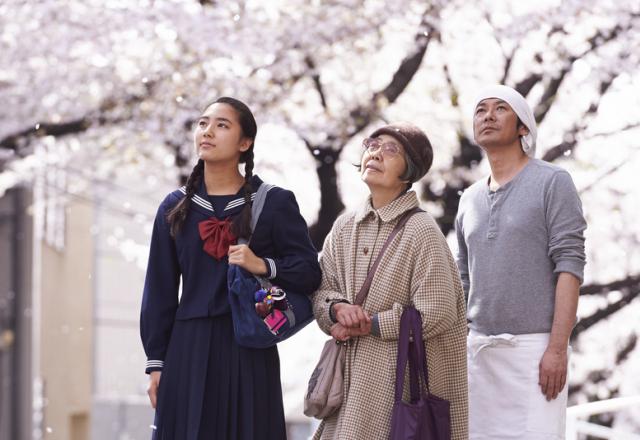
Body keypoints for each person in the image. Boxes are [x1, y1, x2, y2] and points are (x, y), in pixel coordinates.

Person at [140, 97, 321, 440]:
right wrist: (156, 363)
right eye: (203, 123)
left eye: (222, 125)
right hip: (186, 348)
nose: (207, 131)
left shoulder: (274, 202)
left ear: (245, 143)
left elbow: (309, 271)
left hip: (249, 345)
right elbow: (159, 289)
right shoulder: (175, 206)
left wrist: (263, 265)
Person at [311, 122, 468, 440]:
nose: (376, 153)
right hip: (347, 385)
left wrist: (370, 323)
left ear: (409, 170)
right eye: (372, 144)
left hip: (397, 387)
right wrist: (337, 308)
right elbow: (321, 290)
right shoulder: (344, 227)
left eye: (391, 149)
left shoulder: (421, 230)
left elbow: (436, 312)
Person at [455, 85, 587, 439]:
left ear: (523, 128)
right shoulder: (468, 198)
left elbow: (570, 265)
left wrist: (557, 349)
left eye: (501, 109)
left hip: (536, 351)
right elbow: (463, 279)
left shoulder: (552, 182)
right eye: (481, 110)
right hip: (478, 354)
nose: (488, 116)